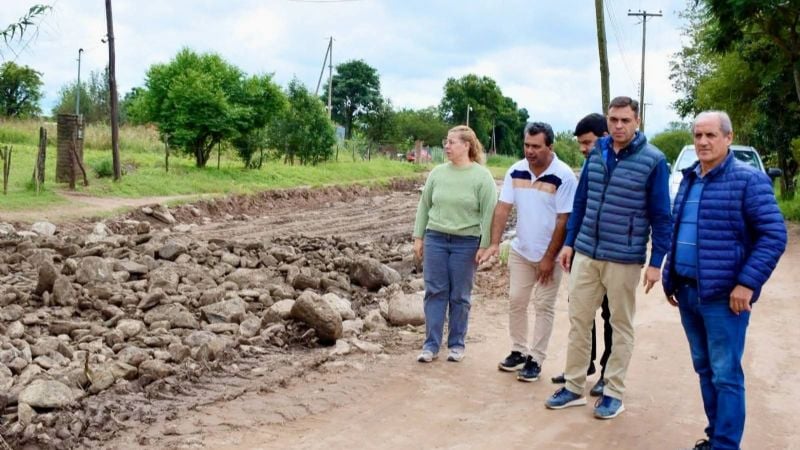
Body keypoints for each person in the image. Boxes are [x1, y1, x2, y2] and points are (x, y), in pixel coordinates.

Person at [663, 111, 787, 450]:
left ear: (728, 139)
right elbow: (678, 230)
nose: (702, 142)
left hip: (723, 298)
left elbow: (773, 235)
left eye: (711, 135)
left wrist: (747, 283)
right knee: (705, 369)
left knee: (726, 375)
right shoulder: (689, 178)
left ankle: (726, 445)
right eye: (697, 135)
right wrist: (669, 274)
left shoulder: (748, 181)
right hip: (687, 292)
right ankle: (715, 436)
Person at [544, 96, 672, 419]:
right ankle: (574, 386)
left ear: (637, 121)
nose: (617, 126)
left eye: (624, 120)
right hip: (587, 252)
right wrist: (570, 243)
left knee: (621, 323)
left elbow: (661, 215)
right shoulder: (597, 154)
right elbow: (582, 200)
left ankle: (613, 391)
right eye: (613, 120)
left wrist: (656, 262)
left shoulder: (653, 161)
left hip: (624, 257)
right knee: (579, 321)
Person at [480, 122, 577, 381]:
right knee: (516, 301)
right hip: (522, 250)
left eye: (536, 146)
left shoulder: (564, 176)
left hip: (552, 254)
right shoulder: (516, 171)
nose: (530, 151)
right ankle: (518, 350)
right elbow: (502, 208)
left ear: (550, 147)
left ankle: (536, 358)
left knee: (543, 306)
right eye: (527, 145)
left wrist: (548, 259)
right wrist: (494, 242)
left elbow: (563, 220)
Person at [412, 125, 497, 363]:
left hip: (466, 243)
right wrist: (419, 237)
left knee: (459, 296)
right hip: (436, 239)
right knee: (434, 292)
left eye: (451, 142)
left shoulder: (482, 177)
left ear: (466, 145)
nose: (446, 147)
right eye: (446, 142)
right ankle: (430, 345)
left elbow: (489, 213)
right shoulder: (437, 173)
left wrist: (486, 244)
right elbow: (424, 206)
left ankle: (457, 344)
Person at [550, 113, 613, 397]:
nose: (584, 149)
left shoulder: (621, 164)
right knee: (580, 311)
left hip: (614, 255)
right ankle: (581, 365)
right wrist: (570, 243)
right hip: (584, 250)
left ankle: (607, 374)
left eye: (588, 142)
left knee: (612, 316)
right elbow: (579, 206)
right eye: (581, 144)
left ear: (605, 135)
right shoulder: (589, 165)